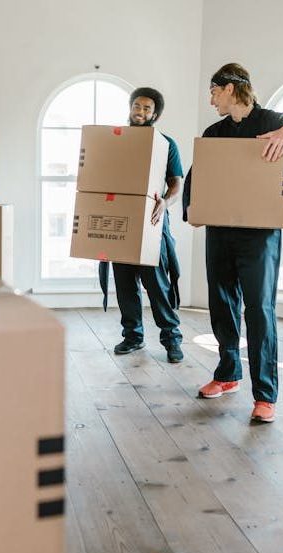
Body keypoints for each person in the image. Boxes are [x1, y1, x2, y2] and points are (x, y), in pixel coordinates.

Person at [182, 63, 283, 423]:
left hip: (260, 236)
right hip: (220, 231)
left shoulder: (273, 122)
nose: (210, 100)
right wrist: (191, 208)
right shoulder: (214, 131)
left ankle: (265, 395)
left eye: (213, 91)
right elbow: (197, 175)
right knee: (221, 304)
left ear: (229, 88)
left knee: (259, 309)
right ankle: (227, 375)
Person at [105, 87, 184, 363]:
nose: (140, 111)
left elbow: (177, 183)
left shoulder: (166, 144)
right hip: (120, 221)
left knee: (158, 285)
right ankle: (133, 337)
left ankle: (172, 339)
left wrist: (165, 201)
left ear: (155, 114)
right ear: (130, 108)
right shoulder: (115, 140)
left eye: (147, 108)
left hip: (151, 221)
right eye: (137, 106)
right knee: (125, 284)